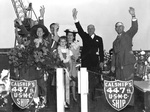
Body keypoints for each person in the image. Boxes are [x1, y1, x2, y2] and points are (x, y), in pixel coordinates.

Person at [72, 8, 104, 101]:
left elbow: (101, 50)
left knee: (94, 79)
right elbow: (79, 29)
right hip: (85, 61)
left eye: (92, 28)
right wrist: (75, 19)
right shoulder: (85, 36)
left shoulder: (99, 38)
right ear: (87, 30)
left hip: (94, 62)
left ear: (94, 29)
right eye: (88, 28)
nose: (90, 30)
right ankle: (84, 95)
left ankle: (93, 95)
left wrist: (102, 61)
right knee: (84, 78)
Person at [111, 7, 138, 106]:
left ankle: (130, 105)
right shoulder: (114, 42)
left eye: (121, 26)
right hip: (118, 67)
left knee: (128, 84)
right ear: (115, 29)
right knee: (120, 85)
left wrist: (133, 15)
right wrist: (113, 65)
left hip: (127, 65)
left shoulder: (128, 35)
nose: (119, 28)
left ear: (123, 27)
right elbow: (114, 54)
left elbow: (134, 28)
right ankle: (122, 104)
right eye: (117, 27)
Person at [57, 36, 73, 108]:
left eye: (64, 41)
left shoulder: (69, 51)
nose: (63, 43)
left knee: (67, 86)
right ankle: (61, 101)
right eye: (61, 41)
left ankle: (67, 101)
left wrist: (70, 70)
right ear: (59, 42)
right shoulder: (57, 51)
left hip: (67, 69)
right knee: (60, 86)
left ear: (66, 42)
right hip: (60, 69)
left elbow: (70, 62)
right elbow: (56, 61)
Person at [64, 29, 80, 102]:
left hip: (73, 65)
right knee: (65, 82)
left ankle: (74, 97)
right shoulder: (63, 44)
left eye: (71, 35)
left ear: (74, 37)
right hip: (65, 65)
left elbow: (76, 56)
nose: (69, 37)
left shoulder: (76, 45)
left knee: (73, 82)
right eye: (68, 35)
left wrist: (72, 56)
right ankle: (66, 99)